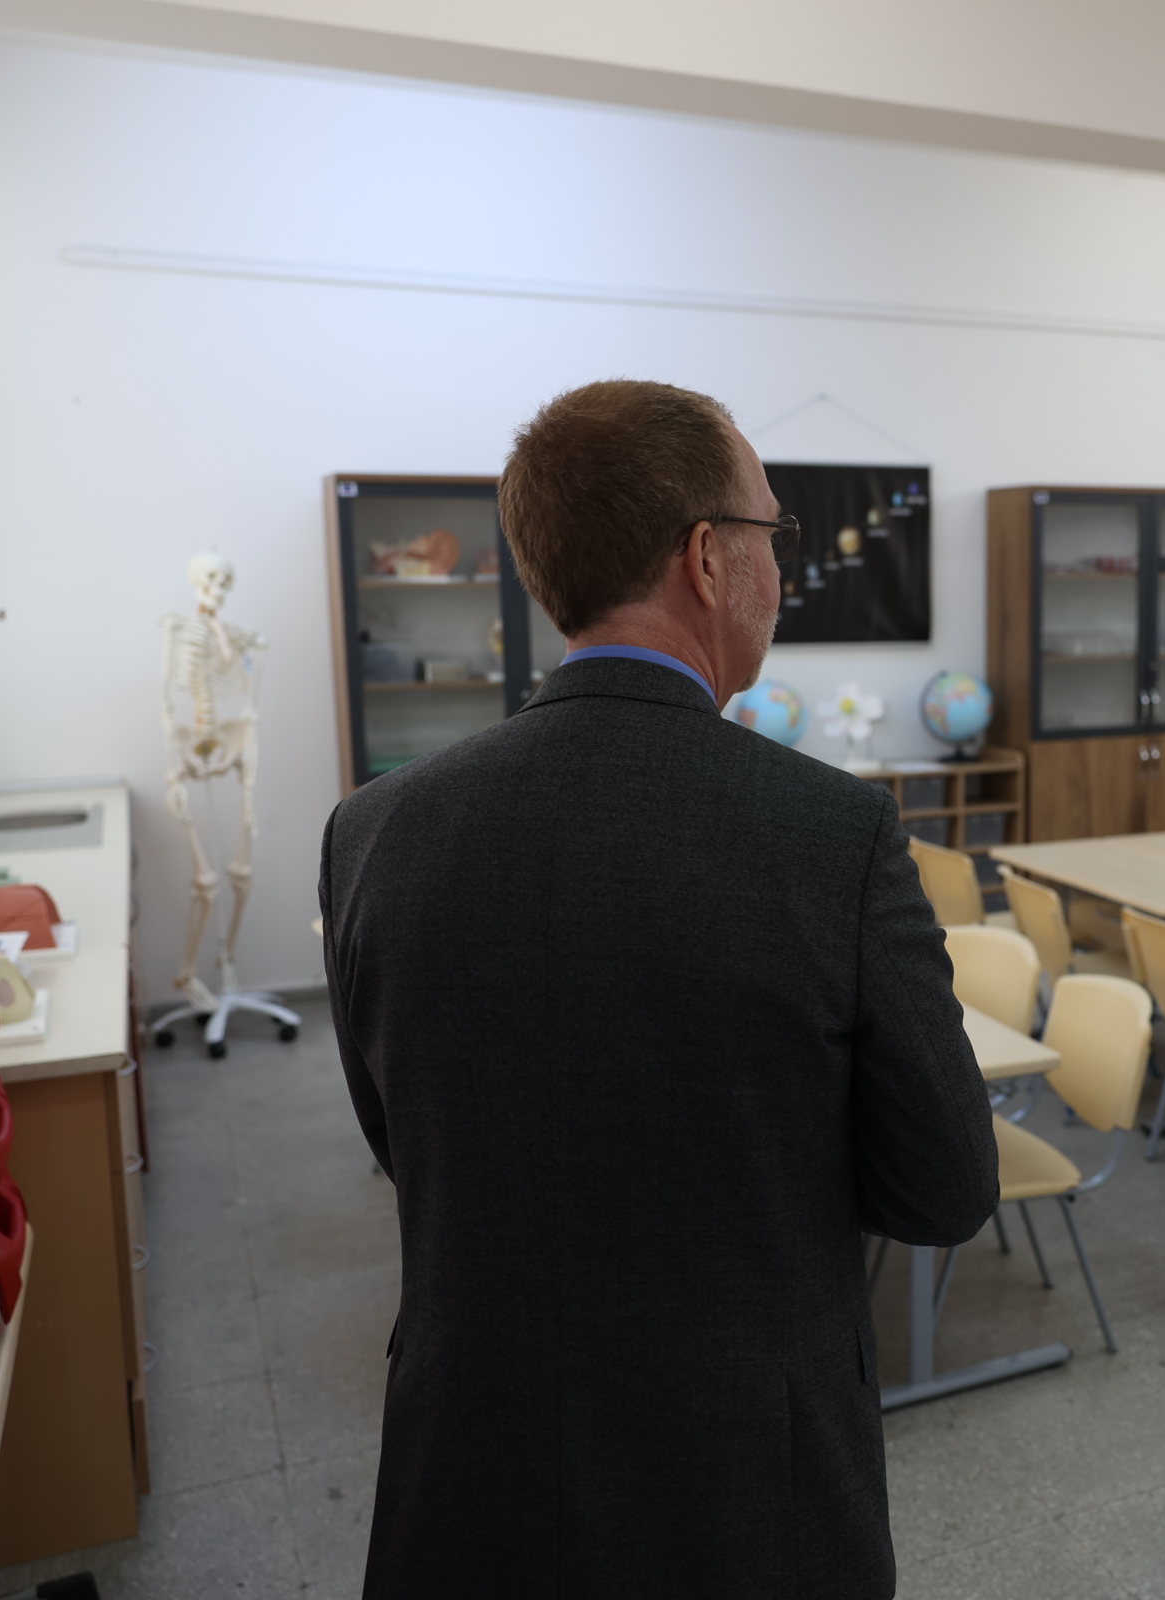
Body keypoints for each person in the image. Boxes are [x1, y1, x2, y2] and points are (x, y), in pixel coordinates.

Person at [321, 379, 998, 1598]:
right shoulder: (832, 837)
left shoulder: (373, 831)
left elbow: (403, 1140)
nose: (781, 571)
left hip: (469, 1476)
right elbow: (944, 1186)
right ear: (706, 558)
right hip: (746, 1493)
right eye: (774, 534)